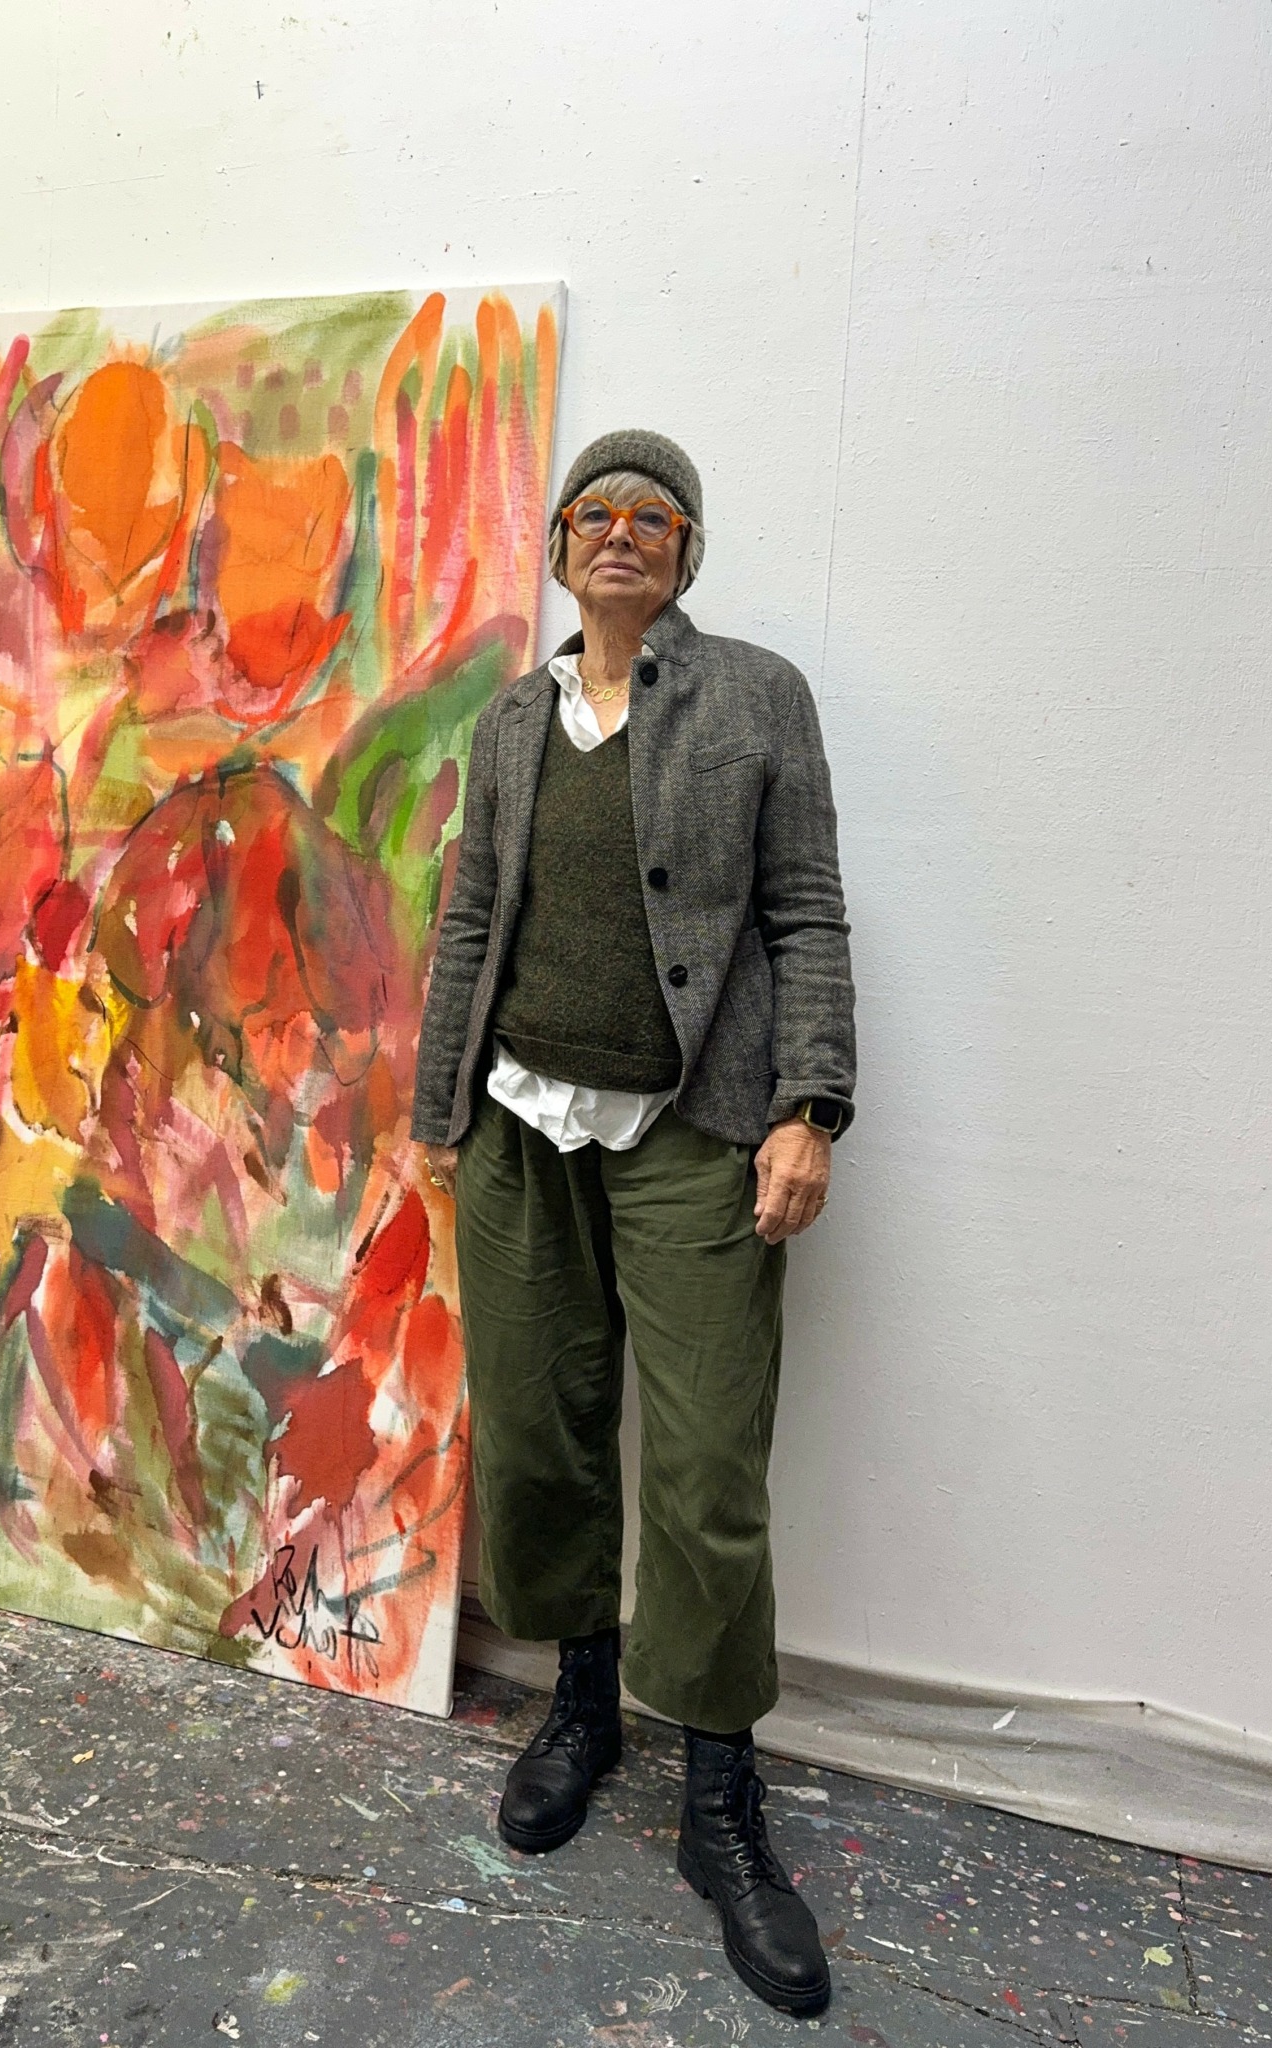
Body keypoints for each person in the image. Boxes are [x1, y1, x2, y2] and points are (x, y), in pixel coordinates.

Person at [410, 429, 856, 2017]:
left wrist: (808, 1105)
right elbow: (472, 914)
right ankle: (581, 1708)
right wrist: (435, 1112)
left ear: (685, 551)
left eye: (650, 516)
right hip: (517, 1127)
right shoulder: (509, 718)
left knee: (705, 1469)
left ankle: (718, 1797)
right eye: (592, 512)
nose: (619, 532)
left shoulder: (754, 698)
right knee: (539, 1439)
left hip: (693, 1130)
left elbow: (805, 909)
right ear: (557, 545)